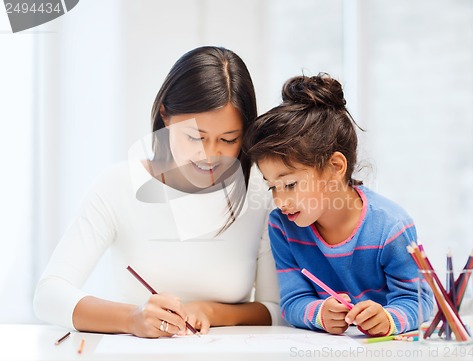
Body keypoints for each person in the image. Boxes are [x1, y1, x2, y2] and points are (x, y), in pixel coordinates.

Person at [33, 46, 282, 338]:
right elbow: (48, 295)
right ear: (165, 115)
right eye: (194, 137)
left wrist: (211, 311)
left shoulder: (260, 193)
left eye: (228, 140)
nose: (210, 155)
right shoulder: (118, 185)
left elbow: (274, 308)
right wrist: (132, 318)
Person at [243, 73, 433, 337]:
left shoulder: (391, 227)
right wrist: (320, 314)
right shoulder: (283, 226)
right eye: (272, 186)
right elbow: (292, 301)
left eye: (290, 185)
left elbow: (419, 302)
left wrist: (388, 319)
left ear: (335, 167)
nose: (279, 200)